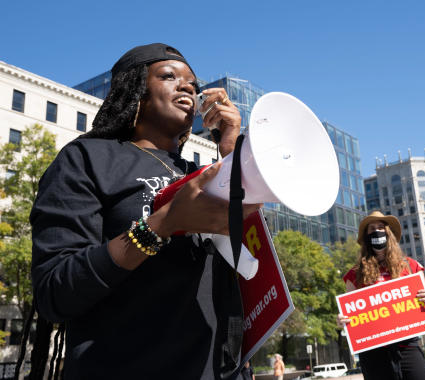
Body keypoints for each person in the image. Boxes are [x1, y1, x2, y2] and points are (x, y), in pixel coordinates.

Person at [25, 43, 261, 380]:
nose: (188, 88)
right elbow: (53, 293)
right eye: (168, 76)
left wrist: (231, 155)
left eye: (193, 84)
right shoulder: (86, 158)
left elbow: (252, 264)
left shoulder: (205, 173)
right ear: (135, 91)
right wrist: (161, 225)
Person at [336, 212, 425, 380]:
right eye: (372, 228)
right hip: (372, 351)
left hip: (407, 347)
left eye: (381, 227)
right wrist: (342, 321)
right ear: (366, 237)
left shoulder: (411, 266)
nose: (377, 231)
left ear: (389, 233)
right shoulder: (354, 274)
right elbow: (350, 315)